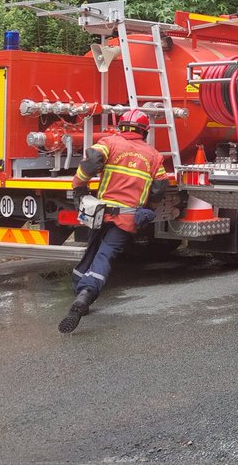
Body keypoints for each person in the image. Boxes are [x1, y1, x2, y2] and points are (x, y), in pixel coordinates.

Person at [60, 108, 168, 333]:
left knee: (92, 248)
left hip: (101, 213)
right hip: (127, 218)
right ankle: (86, 294)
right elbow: (159, 188)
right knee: (105, 254)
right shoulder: (154, 155)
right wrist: (149, 208)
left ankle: (77, 285)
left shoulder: (109, 143)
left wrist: (79, 185)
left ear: (121, 127)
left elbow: (90, 162)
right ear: (144, 131)